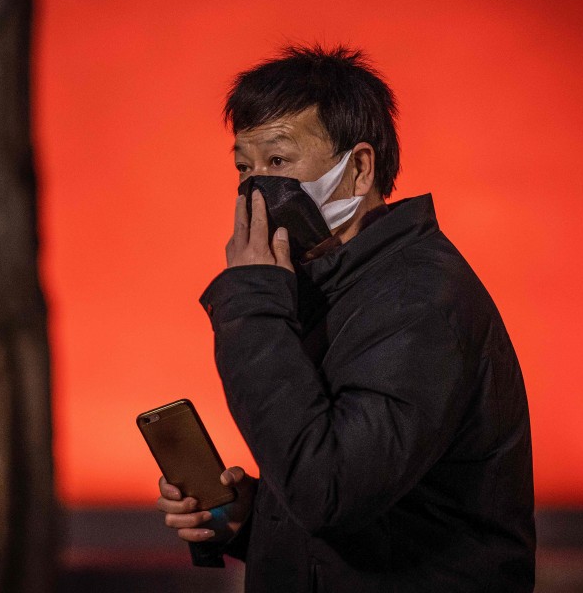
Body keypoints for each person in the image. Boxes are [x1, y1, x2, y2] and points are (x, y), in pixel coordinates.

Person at [155, 45, 535, 592]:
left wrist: (253, 300)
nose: (255, 187)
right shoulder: (336, 285)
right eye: (244, 167)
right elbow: (364, 491)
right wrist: (249, 519)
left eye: (279, 162)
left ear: (359, 168)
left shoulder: (417, 300)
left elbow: (327, 491)